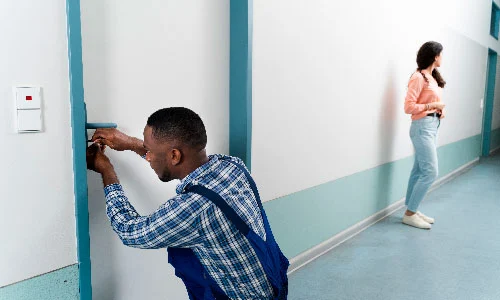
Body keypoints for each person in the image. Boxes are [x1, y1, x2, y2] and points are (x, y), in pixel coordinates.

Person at [86, 107, 289, 299]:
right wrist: (131, 143)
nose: (148, 157)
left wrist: (107, 171)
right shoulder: (231, 166)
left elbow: (130, 231)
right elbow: (174, 159)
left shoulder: (194, 208)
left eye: (149, 151)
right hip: (271, 282)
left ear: (174, 155)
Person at [403, 41, 446, 229]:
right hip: (421, 127)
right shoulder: (418, 77)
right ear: (435, 56)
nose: (442, 58)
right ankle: (410, 214)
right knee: (430, 171)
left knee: (419, 170)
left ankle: (412, 209)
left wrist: (438, 111)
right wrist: (432, 106)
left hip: (431, 125)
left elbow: (432, 102)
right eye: (441, 54)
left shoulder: (432, 77)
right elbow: (408, 107)